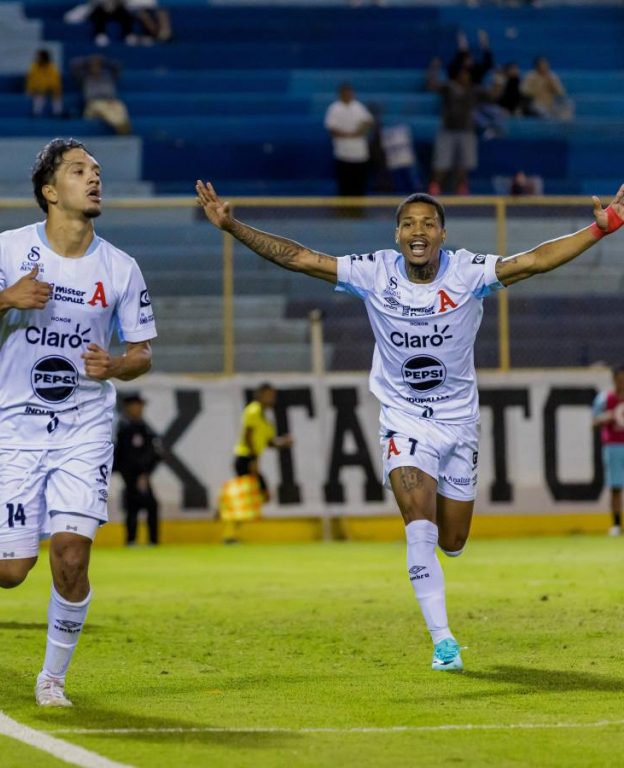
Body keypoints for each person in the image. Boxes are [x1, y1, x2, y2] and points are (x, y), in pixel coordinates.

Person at [196, 178, 624, 672]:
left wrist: (600, 229)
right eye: (408, 224)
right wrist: (234, 227)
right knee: (418, 523)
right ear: (397, 234)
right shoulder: (374, 272)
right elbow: (301, 258)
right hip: (403, 420)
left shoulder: (467, 272)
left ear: (443, 234)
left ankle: (440, 572)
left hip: (458, 423)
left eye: (428, 223)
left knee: (452, 541)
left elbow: (533, 261)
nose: (418, 231)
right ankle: (444, 642)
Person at [0, 138, 156, 707]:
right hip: (14, 429)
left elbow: (142, 353)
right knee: (9, 572)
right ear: (49, 190)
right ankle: (18, 536)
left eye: (96, 171)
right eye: (78, 171)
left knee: (71, 553)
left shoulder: (120, 267)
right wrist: (6, 299)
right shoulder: (9, 248)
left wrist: (115, 365)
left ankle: (52, 678)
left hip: (83, 427)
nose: (94, 178)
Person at [227, 383, 293, 543]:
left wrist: (283, 443)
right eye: (269, 395)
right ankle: (229, 531)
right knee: (249, 498)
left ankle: (231, 529)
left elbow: (269, 442)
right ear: (260, 395)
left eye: (273, 395)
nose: (272, 398)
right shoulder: (253, 410)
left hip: (252, 458)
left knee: (257, 497)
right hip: (245, 458)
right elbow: (248, 436)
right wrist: (253, 459)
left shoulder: (266, 419)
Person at [428, 66, 484, 196]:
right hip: (448, 131)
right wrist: (433, 69)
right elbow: (431, 86)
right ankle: (435, 186)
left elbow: (493, 96)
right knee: (442, 162)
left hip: (466, 131)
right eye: (462, 74)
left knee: (464, 164)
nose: (464, 77)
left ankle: (461, 187)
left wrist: (498, 80)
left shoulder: (474, 90)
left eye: (467, 75)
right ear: (457, 76)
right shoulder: (448, 88)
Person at [114, 393, 161, 546]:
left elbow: (155, 454)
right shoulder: (124, 429)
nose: (138, 409)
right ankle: (131, 540)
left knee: (151, 507)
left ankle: (153, 541)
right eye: (135, 405)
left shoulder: (145, 428)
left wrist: (146, 473)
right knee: (132, 508)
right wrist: (132, 475)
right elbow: (121, 455)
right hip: (131, 477)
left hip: (143, 476)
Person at [323, 83, 374, 197]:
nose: (348, 95)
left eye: (350, 93)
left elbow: (369, 121)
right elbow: (331, 128)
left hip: (360, 153)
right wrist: (347, 135)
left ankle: (359, 206)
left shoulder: (358, 106)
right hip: (343, 153)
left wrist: (359, 131)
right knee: (345, 185)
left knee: (359, 184)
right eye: (345, 93)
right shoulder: (334, 108)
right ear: (340, 94)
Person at [592, 366, 624, 537]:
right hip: (613, 446)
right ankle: (616, 524)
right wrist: (607, 417)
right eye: (619, 379)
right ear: (614, 380)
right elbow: (594, 422)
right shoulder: (605, 398)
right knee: (615, 486)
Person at [71, 54, 132, 135]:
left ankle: (123, 128)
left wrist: (104, 61)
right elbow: (74, 64)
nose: (96, 67)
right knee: (105, 111)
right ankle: (120, 127)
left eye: (98, 65)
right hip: (94, 103)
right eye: (93, 66)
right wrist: (88, 60)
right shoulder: (85, 77)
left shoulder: (108, 76)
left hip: (111, 102)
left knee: (121, 108)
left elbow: (117, 65)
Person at [521, 56, 573, 121]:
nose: (544, 67)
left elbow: (561, 93)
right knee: (541, 110)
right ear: (537, 66)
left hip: (551, 104)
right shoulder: (530, 76)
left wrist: (552, 84)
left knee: (568, 103)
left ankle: (566, 123)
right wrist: (537, 88)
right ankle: (549, 123)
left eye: (546, 65)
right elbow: (523, 91)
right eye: (542, 65)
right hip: (535, 104)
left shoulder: (553, 76)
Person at [25, 49, 63, 118]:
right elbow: (31, 80)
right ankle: (36, 113)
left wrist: (54, 89)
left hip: (50, 88)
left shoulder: (52, 67)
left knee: (56, 96)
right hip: (38, 89)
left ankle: (58, 113)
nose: (37, 58)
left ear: (44, 57)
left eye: (39, 57)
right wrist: (30, 90)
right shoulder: (34, 66)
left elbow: (55, 80)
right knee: (39, 96)